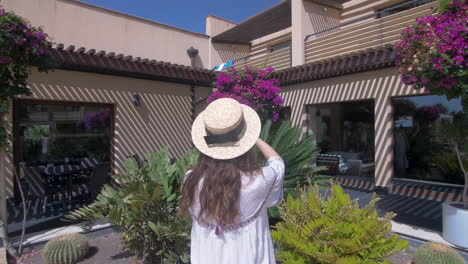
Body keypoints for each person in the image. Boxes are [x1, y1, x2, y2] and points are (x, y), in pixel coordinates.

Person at [180, 98, 285, 264]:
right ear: (245, 145)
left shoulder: (191, 178)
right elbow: (278, 163)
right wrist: (253, 137)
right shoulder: (259, 180)